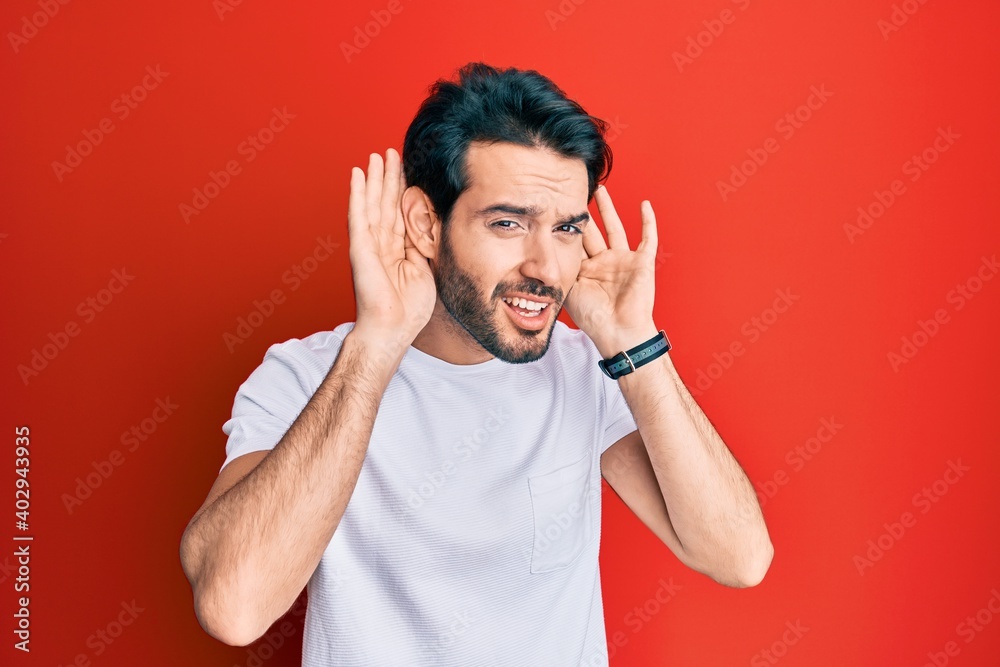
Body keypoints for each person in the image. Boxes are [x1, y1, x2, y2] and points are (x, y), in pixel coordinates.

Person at [179, 62, 773, 666]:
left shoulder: (587, 370)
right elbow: (235, 608)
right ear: (425, 224)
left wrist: (632, 343)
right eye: (508, 223)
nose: (546, 267)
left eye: (567, 228)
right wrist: (376, 344)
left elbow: (739, 558)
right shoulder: (306, 377)